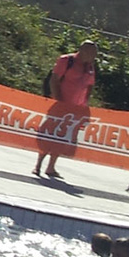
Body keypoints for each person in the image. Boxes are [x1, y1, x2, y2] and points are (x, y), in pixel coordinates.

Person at [35, 40, 98, 180]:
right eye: (92, 52)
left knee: (63, 137)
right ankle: (38, 165)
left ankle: (51, 167)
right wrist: (59, 100)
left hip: (75, 108)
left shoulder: (90, 67)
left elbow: (90, 85)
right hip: (60, 104)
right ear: (83, 50)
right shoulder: (66, 60)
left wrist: (85, 103)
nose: (94, 56)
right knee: (50, 134)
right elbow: (54, 79)